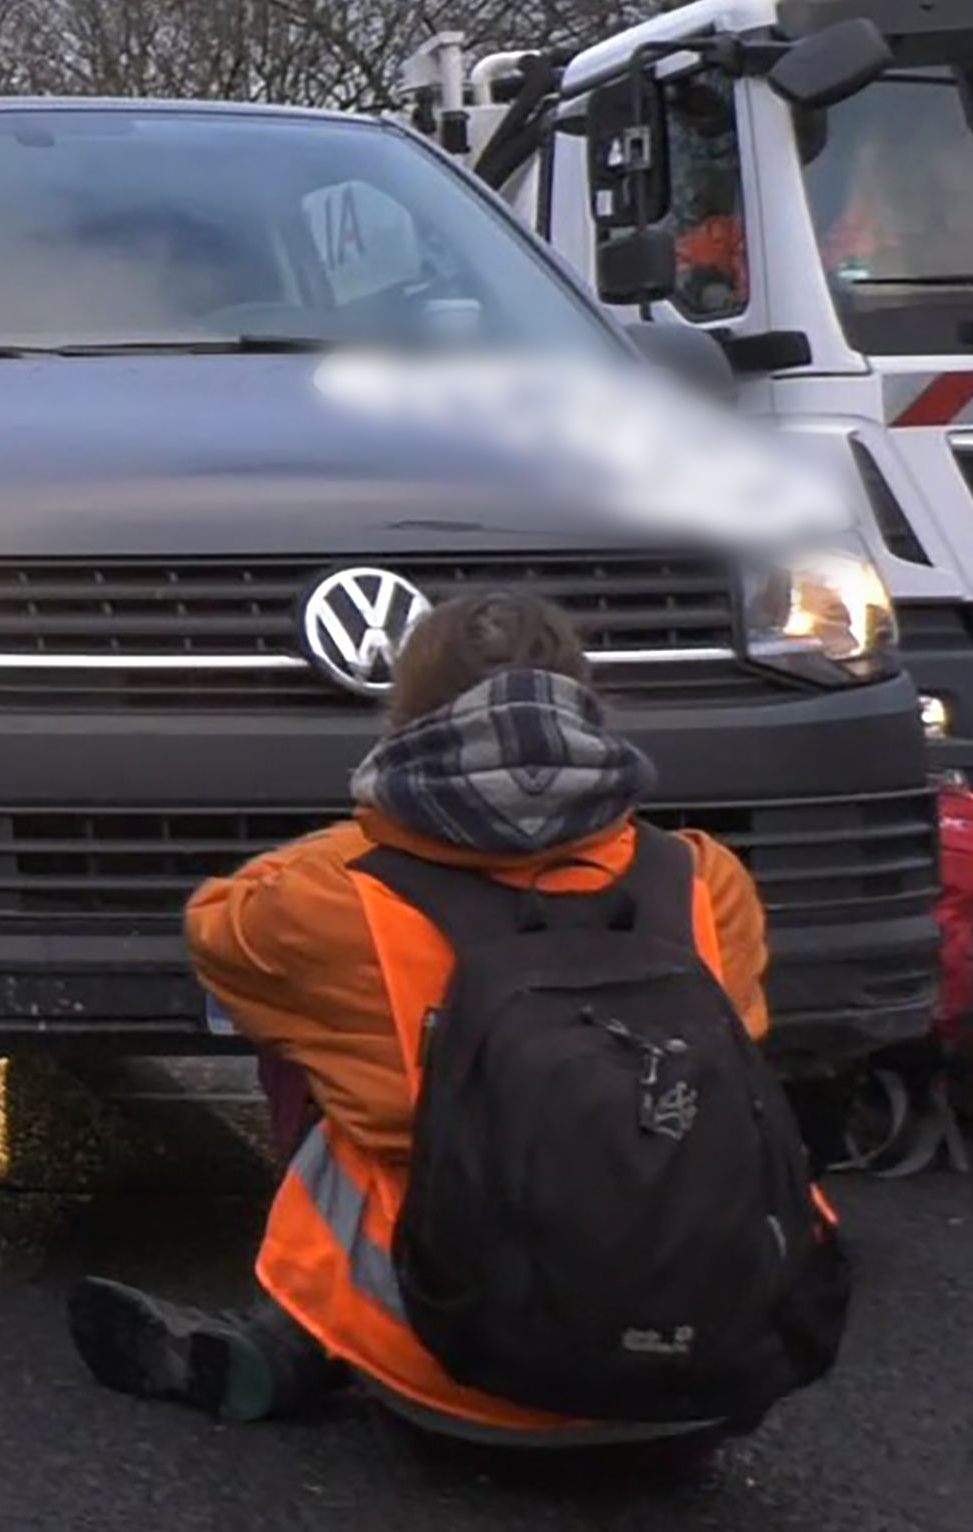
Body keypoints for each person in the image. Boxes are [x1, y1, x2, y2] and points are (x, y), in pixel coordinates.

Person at [68, 591, 814, 1444]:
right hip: (721, 1368)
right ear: (589, 709)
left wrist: (387, 826)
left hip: (466, 1372)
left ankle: (295, 1341)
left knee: (333, 1065)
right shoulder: (706, 881)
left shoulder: (333, 902)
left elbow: (217, 928)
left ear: (407, 720)